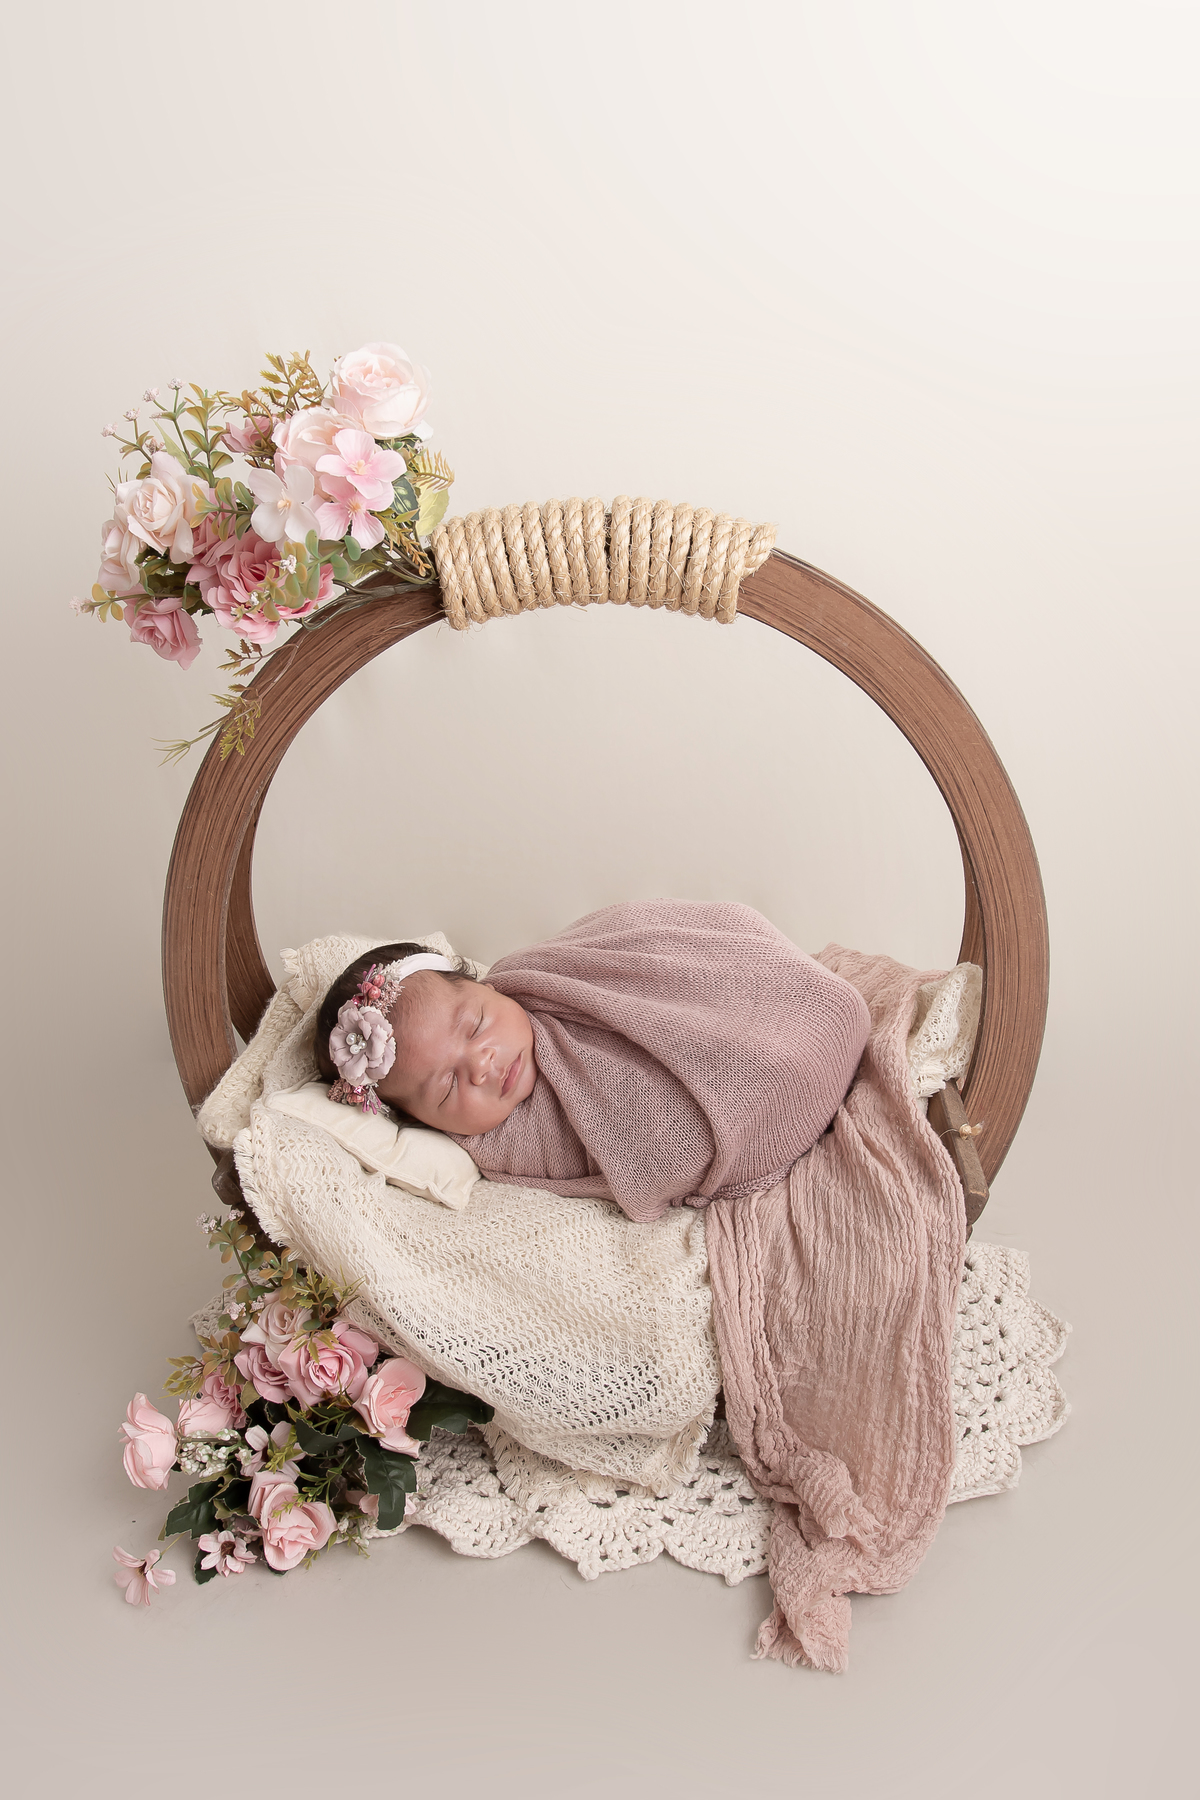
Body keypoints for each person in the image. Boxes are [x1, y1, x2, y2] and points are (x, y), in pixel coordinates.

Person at [315, 900, 871, 1224]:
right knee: (779, 1066)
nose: (482, 1066)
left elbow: (651, 937)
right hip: (774, 1087)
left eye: (476, 1024)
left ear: (484, 983)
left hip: (760, 1000)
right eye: (446, 1088)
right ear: (425, 1122)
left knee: (796, 1013)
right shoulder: (507, 1145)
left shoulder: (545, 973)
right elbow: (661, 1150)